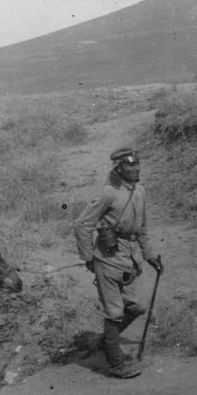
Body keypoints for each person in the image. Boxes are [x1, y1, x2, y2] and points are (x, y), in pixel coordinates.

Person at [74, 147, 163, 379]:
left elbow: (142, 228)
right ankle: (115, 363)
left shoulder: (140, 191)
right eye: (130, 165)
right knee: (114, 312)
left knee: (138, 306)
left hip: (130, 259)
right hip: (107, 259)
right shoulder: (108, 193)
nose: (136, 168)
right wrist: (88, 257)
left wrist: (150, 256)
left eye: (137, 164)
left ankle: (107, 341)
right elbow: (83, 224)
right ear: (118, 168)